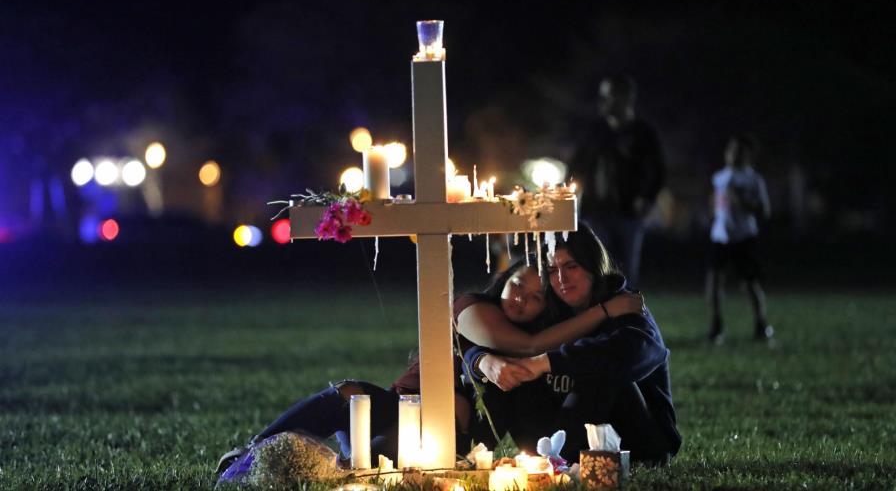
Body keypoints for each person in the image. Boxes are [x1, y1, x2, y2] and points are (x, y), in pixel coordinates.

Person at [215, 258, 644, 475]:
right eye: (517, 286)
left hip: (443, 438)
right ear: (503, 280)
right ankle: (251, 453)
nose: (522, 300)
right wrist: (605, 311)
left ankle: (316, 466)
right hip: (400, 404)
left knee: (375, 463)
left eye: (535, 298)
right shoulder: (472, 309)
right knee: (350, 396)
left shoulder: (533, 352)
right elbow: (514, 344)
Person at [464, 225, 681, 465]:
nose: (561, 279)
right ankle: (472, 457)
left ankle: (557, 462)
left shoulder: (623, 303)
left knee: (600, 370)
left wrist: (545, 362)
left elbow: (635, 351)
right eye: (552, 270)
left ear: (593, 265)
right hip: (560, 436)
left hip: (636, 441)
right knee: (505, 370)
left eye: (571, 267)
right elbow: (490, 343)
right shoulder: (550, 306)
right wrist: (483, 361)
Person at [568, 74, 665, 287]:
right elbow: (576, 165)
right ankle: (601, 315)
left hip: (628, 213)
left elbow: (657, 170)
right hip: (595, 212)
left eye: (610, 95)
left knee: (628, 270)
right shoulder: (594, 131)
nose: (604, 101)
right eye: (603, 96)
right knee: (598, 267)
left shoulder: (642, 133)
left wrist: (646, 198)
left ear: (627, 97)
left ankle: (628, 315)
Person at [707, 134, 772, 344]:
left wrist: (742, 201)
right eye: (731, 150)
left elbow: (764, 210)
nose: (733, 154)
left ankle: (761, 325)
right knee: (715, 281)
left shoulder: (754, 179)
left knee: (750, 283)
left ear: (748, 155)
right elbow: (716, 204)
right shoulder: (719, 177)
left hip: (744, 237)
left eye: (739, 151)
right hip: (720, 237)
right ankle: (717, 326)